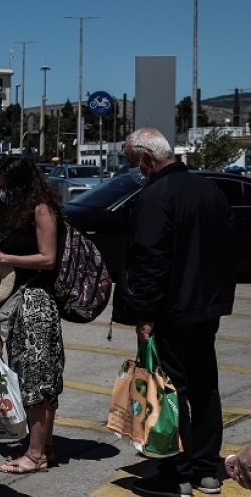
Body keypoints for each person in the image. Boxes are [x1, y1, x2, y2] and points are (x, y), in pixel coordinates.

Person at [119, 128, 235, 497]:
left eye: (133, 162)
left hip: (171, 310)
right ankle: (207, 470)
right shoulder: (208, 189)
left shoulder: (156, 196)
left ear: (147, 159)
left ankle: (176, 475)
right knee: (205, 387)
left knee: (169, 390)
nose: (134, 170)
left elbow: (151, 262)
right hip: (206, 307)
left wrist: (144, 315)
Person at [0, 155, 64, 475]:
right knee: (35, 376)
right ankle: (44, 446)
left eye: (7, 186)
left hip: (36, 302)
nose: (2, 191)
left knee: (36, 379)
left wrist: (5, 257)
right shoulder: (18, 210)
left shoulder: (41, 209)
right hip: (23, 301)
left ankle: (35, 455)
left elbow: (47, 258)